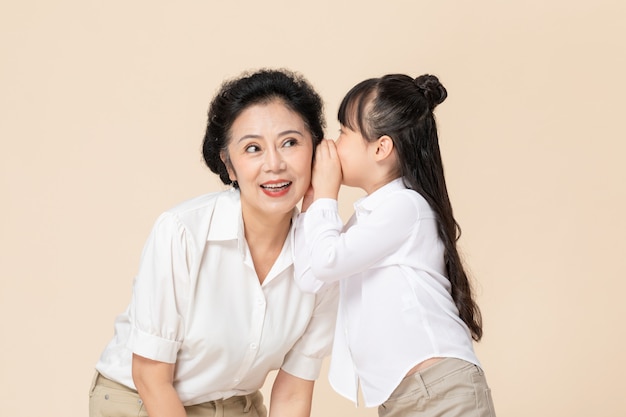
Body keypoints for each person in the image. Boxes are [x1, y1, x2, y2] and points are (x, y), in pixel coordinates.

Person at [90, 69, 339, 417]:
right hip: (142, 401)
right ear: (229, 165)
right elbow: (151, 376)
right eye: (253, 148)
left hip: (236, 407)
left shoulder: (325, 258)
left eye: (290, 142)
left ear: (315, 150)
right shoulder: (182, 232)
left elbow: (294, 392)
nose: (275, 164)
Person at [294, 73, 496, 416]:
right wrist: (313, 203)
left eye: (344, 131)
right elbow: (310, 276)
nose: (334, 142)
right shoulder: (369, 219)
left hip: (439, 390)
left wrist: (327, 196)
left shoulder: (406, 207)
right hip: (406, 397)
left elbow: (327, 261)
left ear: (380, 147)